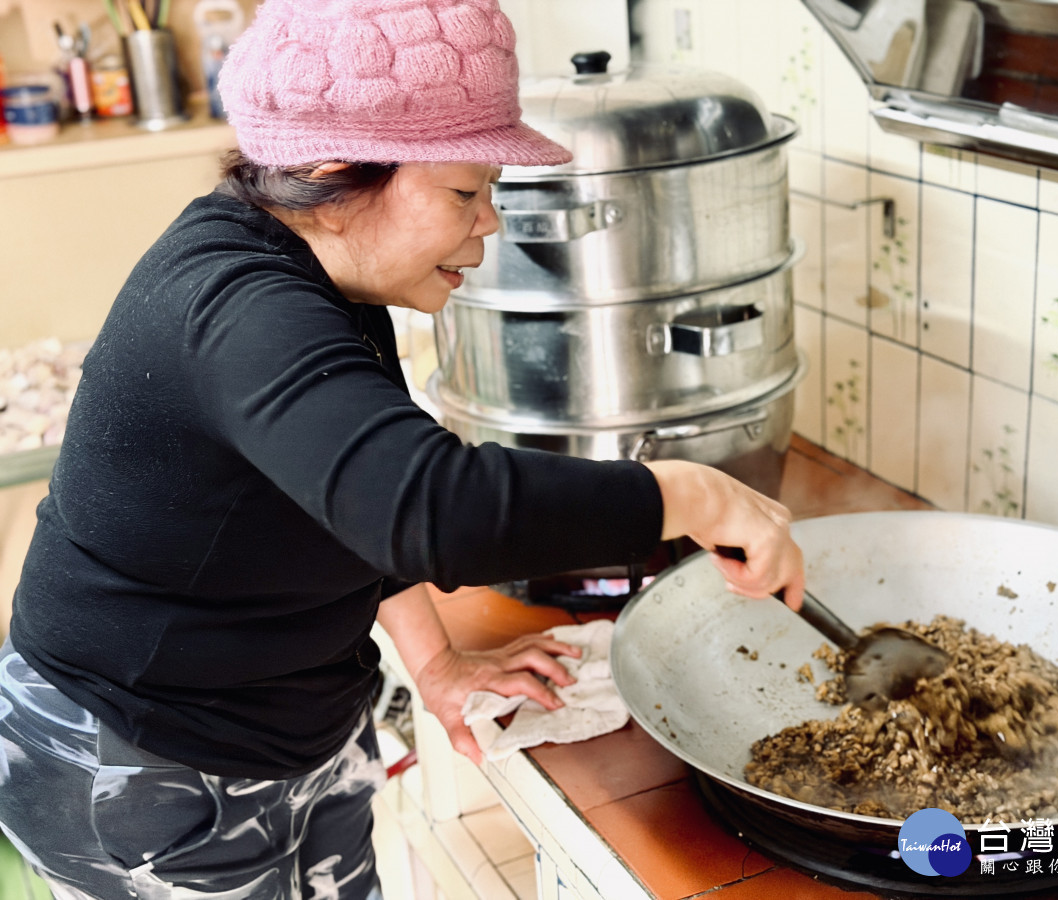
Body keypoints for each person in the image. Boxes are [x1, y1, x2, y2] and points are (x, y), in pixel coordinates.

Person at [0, 0, 805, 896]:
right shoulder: (241, 307)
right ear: (332, 169)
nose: (489, 224)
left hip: (294, 723)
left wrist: (437, 662)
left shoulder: (328, 285)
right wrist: (691, 493)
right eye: (465, 192)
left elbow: (350, 497)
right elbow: (425, 507)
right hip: (140, 759)